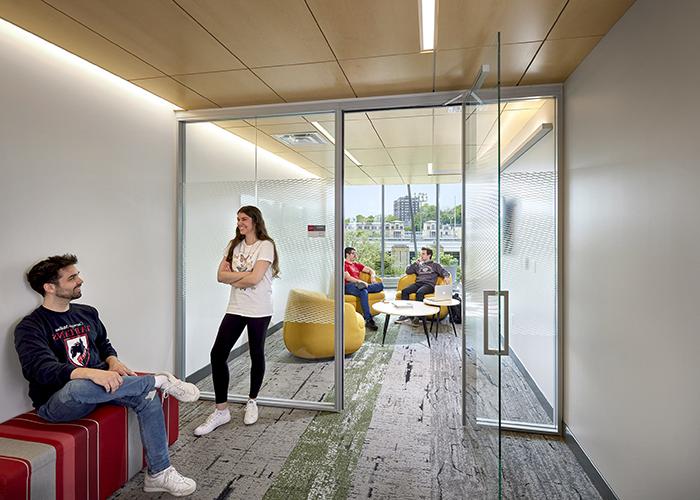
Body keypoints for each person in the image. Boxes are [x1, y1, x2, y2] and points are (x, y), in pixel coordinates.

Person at [14, 254, 199, 497]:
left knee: (147, 396)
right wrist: (91, 373)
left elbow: (104, 344)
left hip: (101, 388)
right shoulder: (30, 326)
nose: (80, 280)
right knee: (79, 386)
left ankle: (159, 473)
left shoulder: (87, 312)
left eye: (77, 274)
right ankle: (160, 380)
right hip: (59, 404)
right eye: (72, 277)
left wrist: (113, 361)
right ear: (50, 287)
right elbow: (41, 370)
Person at [194, 205, 279, 437]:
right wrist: (244, 277)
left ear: (255, 221)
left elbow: (255, 279)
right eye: (238, 219)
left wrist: (236, 278)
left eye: (244, 219)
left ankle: (252, 401)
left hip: (259, 309)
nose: (240, 223)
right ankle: (221, 410)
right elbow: (220, 275)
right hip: (236, 307)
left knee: (256, 354)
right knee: (218, 354)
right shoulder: (233, 245)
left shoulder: (266, 246)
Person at [397, 247, 451, 325]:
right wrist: (415, 263)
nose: (421, 255)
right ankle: (405, 314)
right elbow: (408, 271)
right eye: (421, 254)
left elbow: (444, 272)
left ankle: (417, 317)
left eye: (423, 254)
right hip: (418, 283)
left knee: (420, 293)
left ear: (429, 255)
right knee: (405, 291)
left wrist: (446, 277)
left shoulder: (435, 265)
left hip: (429, 285)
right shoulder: (418, 265)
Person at [344, 247, 384, 331]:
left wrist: (372, 277)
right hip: (349, 286)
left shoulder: (356, 264)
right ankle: (368, 319)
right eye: (353, 253)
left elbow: (371, 270)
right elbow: (348, 278)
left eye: (355, 253)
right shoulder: (344, 264)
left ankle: (366, 287)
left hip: (359, 286)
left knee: (380, 285)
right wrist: (360, 282)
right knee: (364, 291)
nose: (355, 255)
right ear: (347, 254)